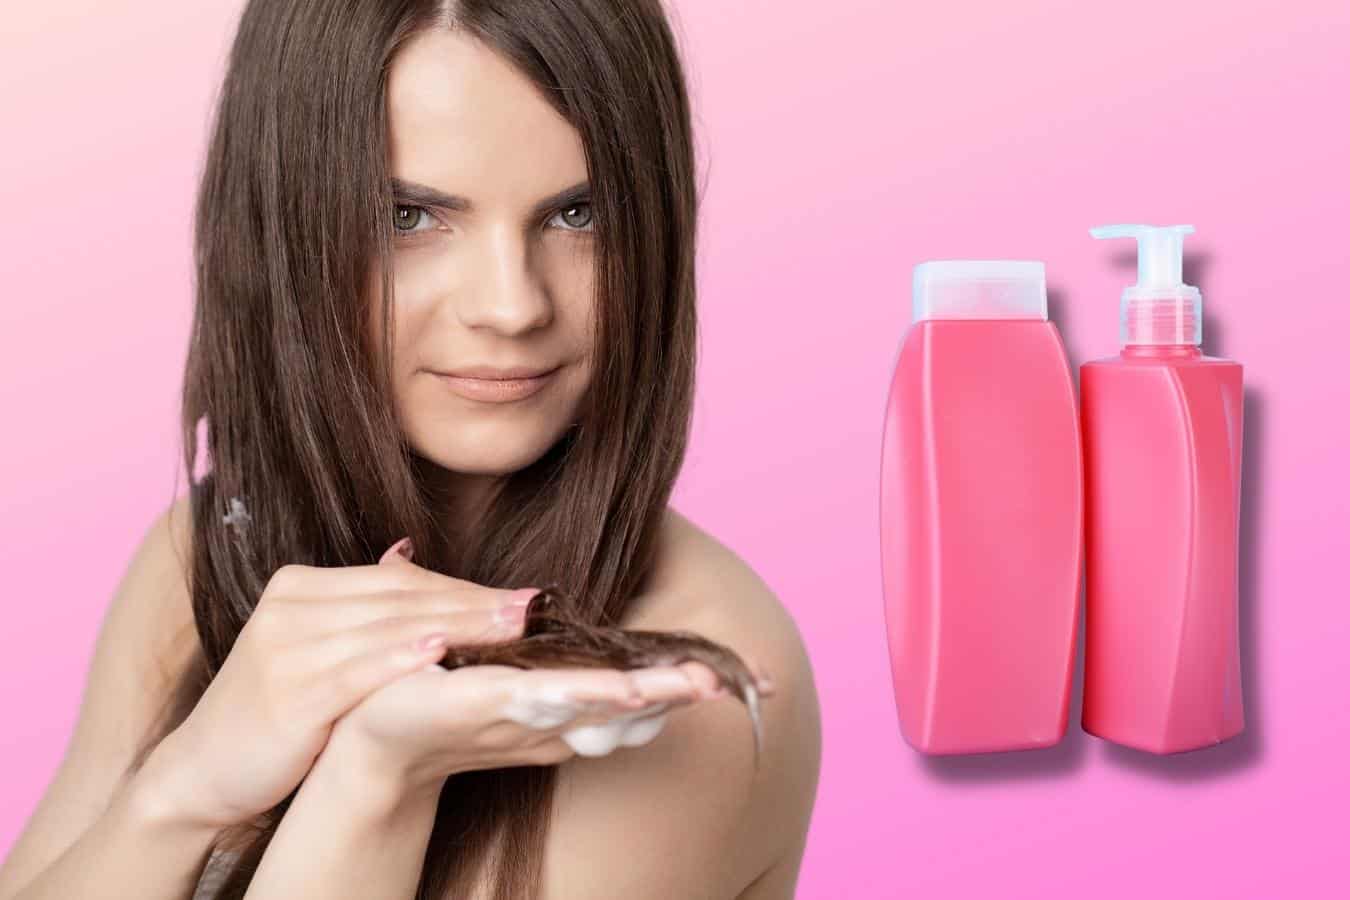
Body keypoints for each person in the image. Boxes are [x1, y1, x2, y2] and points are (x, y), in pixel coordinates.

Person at [0, 2, 821, 898]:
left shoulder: (683, 688)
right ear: (287, 228)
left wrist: (378, 774)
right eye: (411, 217)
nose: (511, 307)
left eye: (578, 214)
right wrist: (184, 788)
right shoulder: (211, 549)